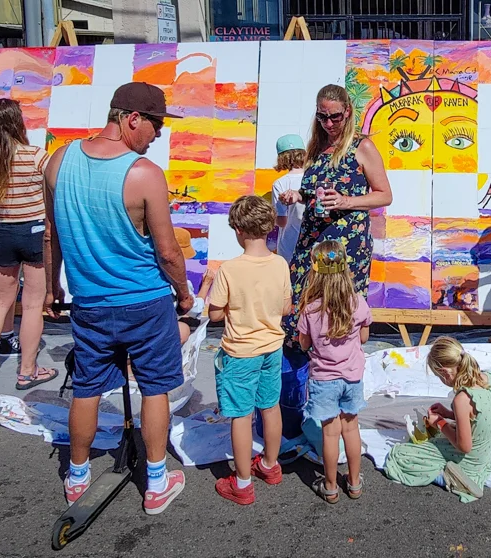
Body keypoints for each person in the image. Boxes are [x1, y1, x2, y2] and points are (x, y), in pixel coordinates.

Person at [44, 82, 191, 514]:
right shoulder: (143, 173)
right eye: (157, 124)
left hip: (90, 301)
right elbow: (167, 250)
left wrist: (54, 285)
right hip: (144, 300)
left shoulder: (58, 161)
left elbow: (51, 235)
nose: (159, 134)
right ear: (132, 120)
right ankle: (157, 482)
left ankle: (76, 476)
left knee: (87, 388)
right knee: (155, 387)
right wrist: (184, 294)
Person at [278, 84, 392, 345]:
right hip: (312, 241)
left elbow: (384, 195)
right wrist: (298, 196)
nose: (328, 123)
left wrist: (346, 201)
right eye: (322, 116)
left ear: (348, 112)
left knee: (341, 308)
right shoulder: (316, 147)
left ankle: (340, 368)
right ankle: (303, 370)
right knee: (304, 303)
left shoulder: (361, 147)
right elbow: (315, 193)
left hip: (346, 246)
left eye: (335, 117)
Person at [0, 99, 59, 390]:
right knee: (32, 305)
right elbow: (54, 193)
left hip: (1, 233)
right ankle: (28, 371)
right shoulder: (36, 156)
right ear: (16, 123)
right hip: (32, 232)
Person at [208, 195, 293, 506]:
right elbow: (286, 307)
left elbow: (215, 314)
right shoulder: (280, 263)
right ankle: (270, 466)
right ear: (269, 227)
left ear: (238, 230)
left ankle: (242, 483)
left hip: (240, 352)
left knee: (241, 416)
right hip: (273, 347)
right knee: (270, 407)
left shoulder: (230, 269)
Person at [384, 336, 491, 502]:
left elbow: (464, 447)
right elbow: (478, 417)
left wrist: (439, 423)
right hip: (484, 455)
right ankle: (456, 474)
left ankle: (447, 477)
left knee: (400, 456)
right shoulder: (489, 378)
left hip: (469, 462)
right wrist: (449, 414)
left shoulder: (462, 399)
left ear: (445, 372)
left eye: (438, 376)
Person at [297, 240, 373, 503]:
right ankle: (354, 483)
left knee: (330, 433)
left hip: (324, 379)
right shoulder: (358, 302)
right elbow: (363, 337)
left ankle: (330, 487)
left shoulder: (310, 308)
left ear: (315, 272)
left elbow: (304, 344)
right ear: (345, 268)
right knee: (351, 429)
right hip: (352, 376)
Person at [271, 134, 307, 262]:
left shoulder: (279, 183)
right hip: (313, 241)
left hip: (289, 244)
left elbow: (282, 221)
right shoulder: (312, 178)